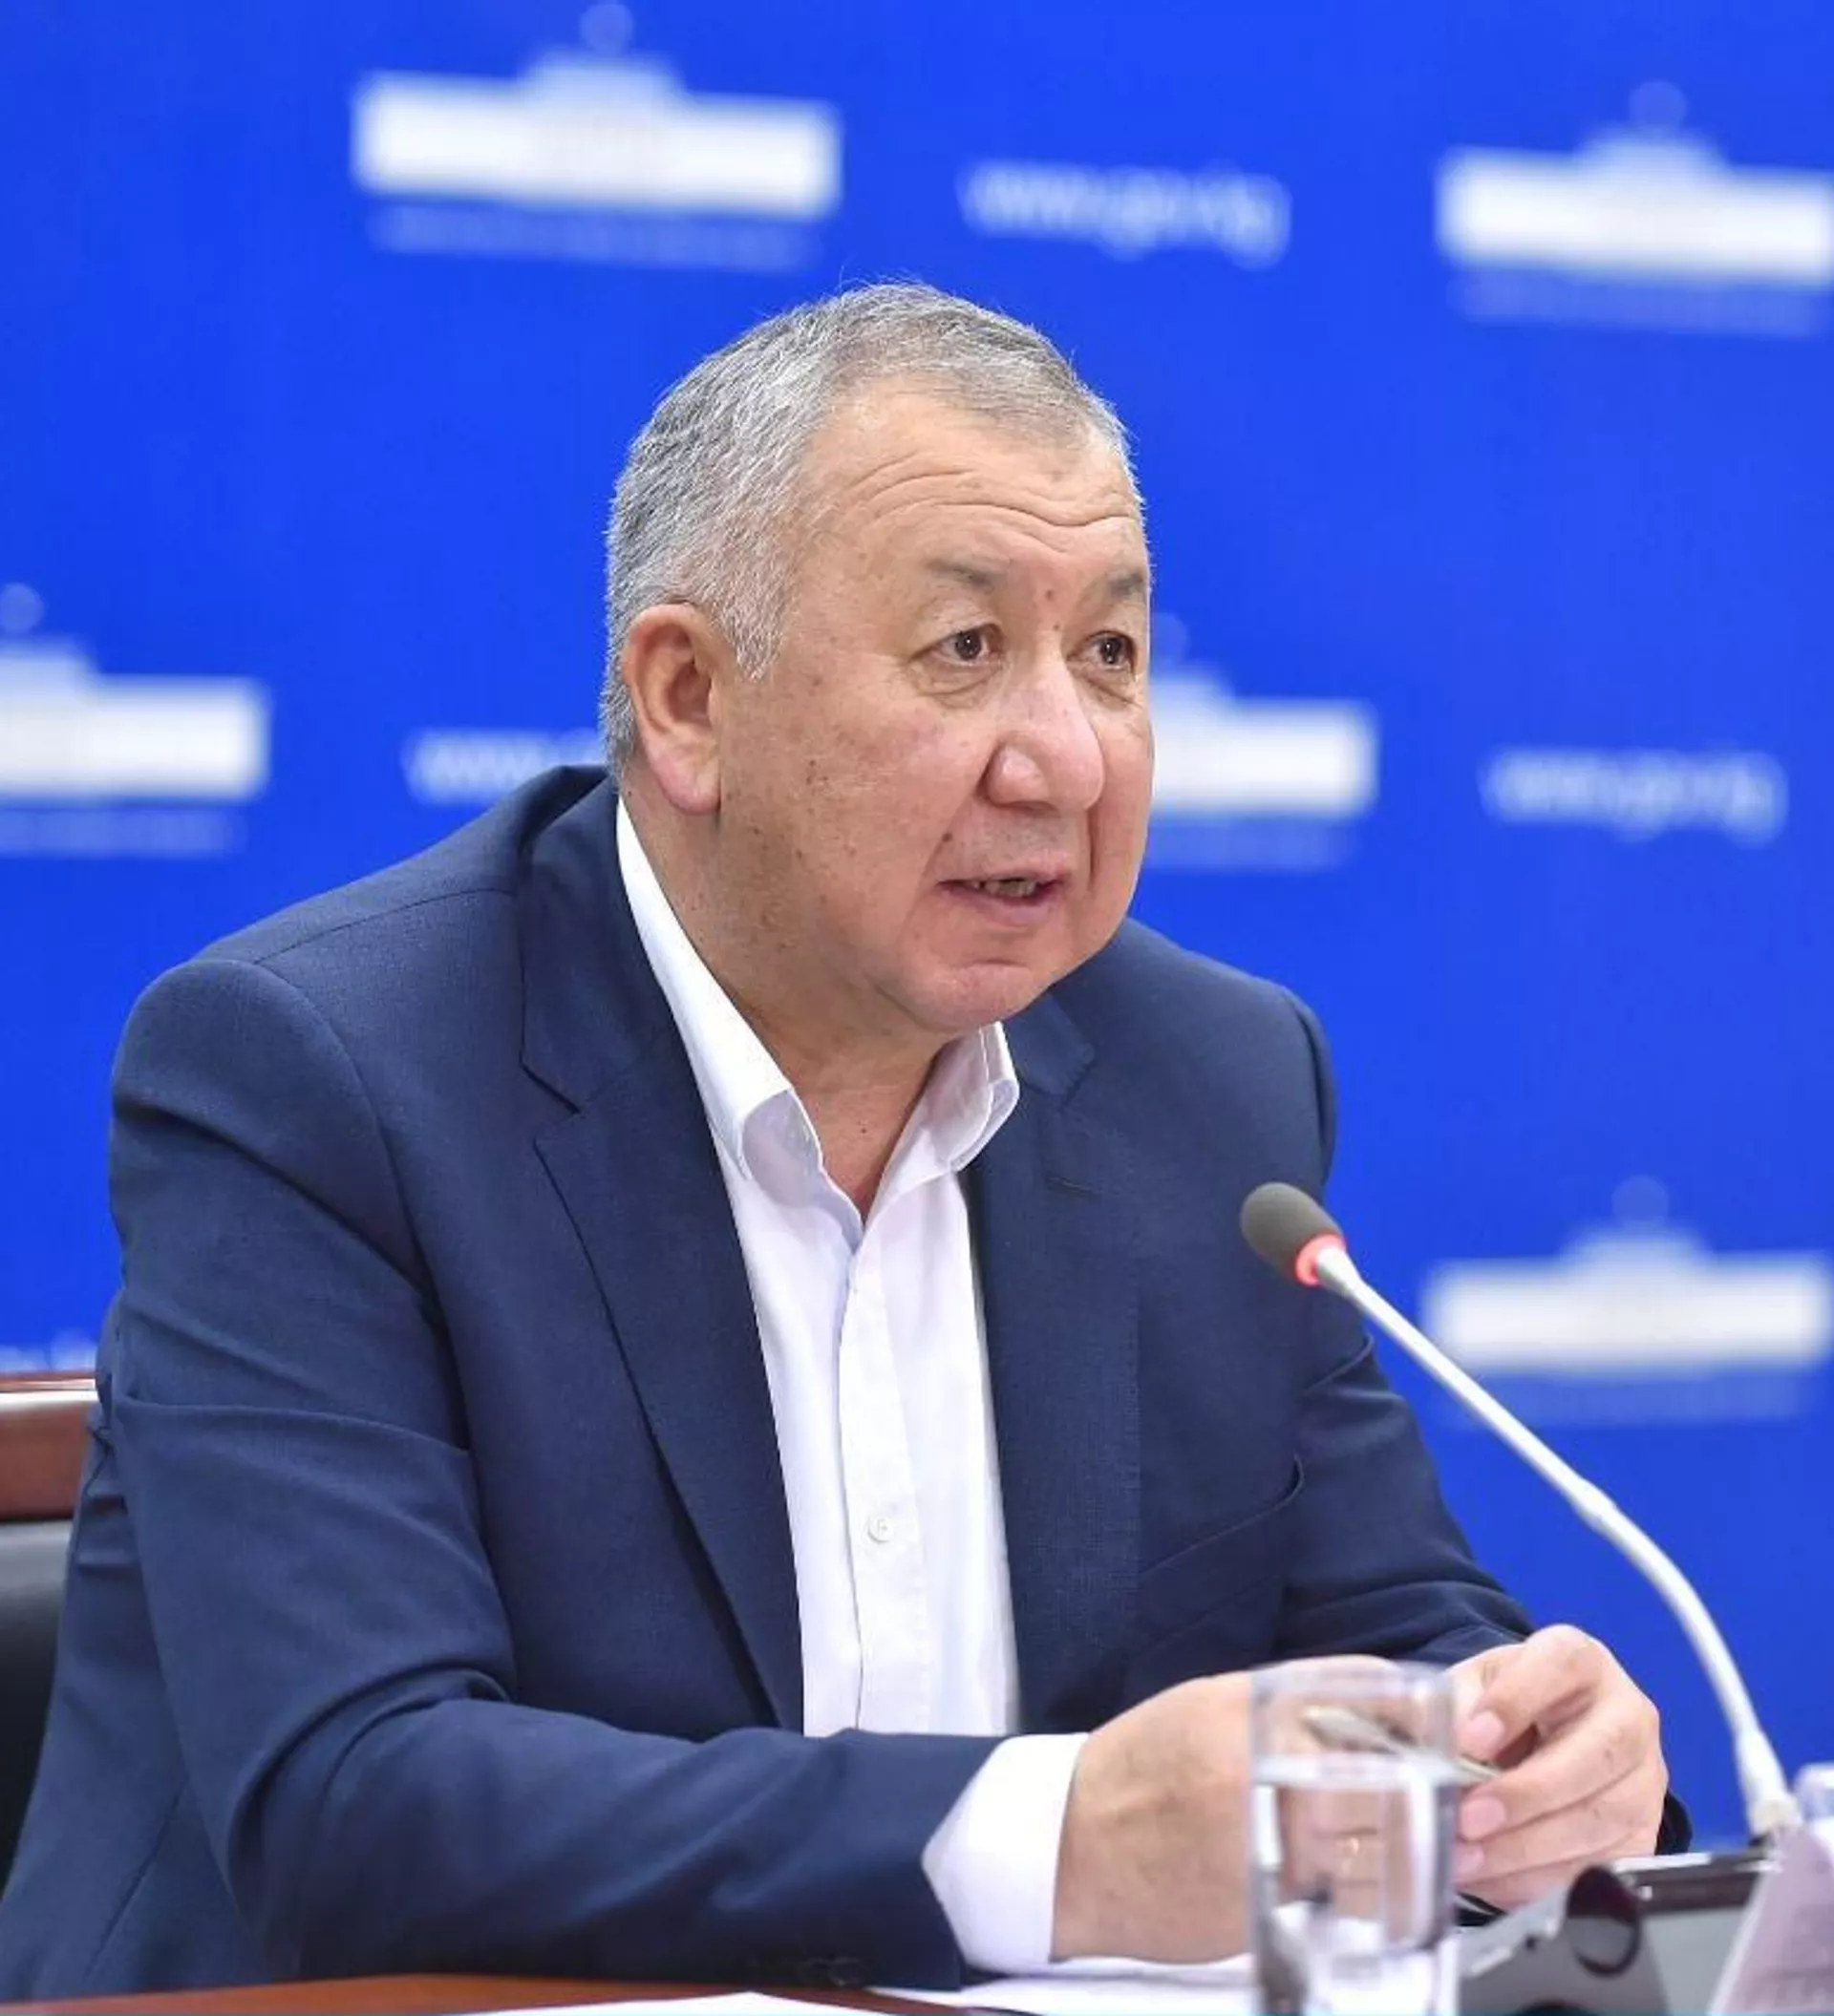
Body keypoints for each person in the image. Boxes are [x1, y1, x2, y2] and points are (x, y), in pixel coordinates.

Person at [0, 285, 1674, 1999]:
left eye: (1111, 654)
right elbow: (360, 1807)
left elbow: (1392, 1634)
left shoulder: (1207, 1081)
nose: (1067, 757)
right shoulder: (326, 1076)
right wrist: (1063, 1838)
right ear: (687, 700)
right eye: (966, 650)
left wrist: (1512, 1761)